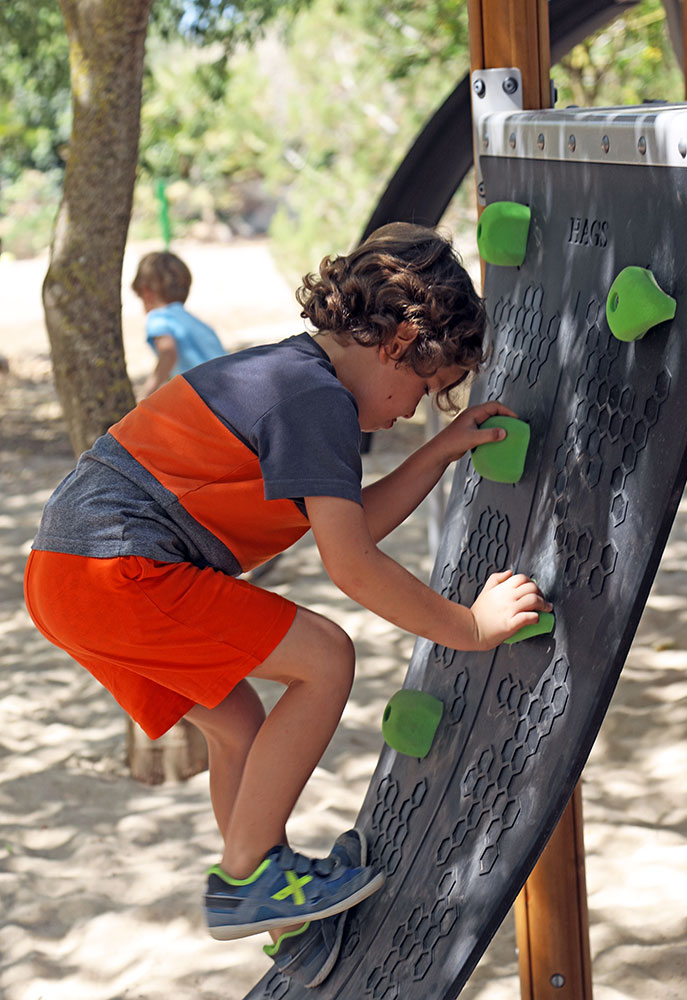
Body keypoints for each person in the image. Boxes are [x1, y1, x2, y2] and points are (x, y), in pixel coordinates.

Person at [24, 223, 552, 987]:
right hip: (116, 567)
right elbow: (352, 565)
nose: (412, 414)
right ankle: (247, 878)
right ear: (400, 343)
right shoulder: (314, 402)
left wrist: (437, 453)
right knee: (326, 656)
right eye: (426, 392)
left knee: (238, 723)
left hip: (69, 576)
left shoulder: (296, 379)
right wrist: (469, 627)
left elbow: (352, 524)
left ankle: (275, 904)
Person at [131, 250, 226, 396]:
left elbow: (168, 353)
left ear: (146, 292)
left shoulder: (159, 318)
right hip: (226, 387)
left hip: (205, 395)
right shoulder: (194, 321)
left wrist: (148, 394)